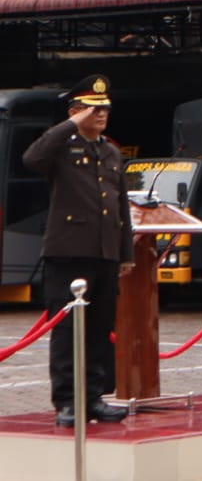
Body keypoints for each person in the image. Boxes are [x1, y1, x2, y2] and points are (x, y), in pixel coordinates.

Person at [20, 74, 134, 426]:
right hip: (69, 251)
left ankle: (93, 397)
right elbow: (31, 158)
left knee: (99, 329)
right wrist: (69, 124)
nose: (100, 114)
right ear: (75, 111)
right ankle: (68, 401)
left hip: (103, 253)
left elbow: (121, 207)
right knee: (68, 330)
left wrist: (125, 253)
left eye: (105, 109)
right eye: (92, 109)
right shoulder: (61, 147)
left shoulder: (110, 151)